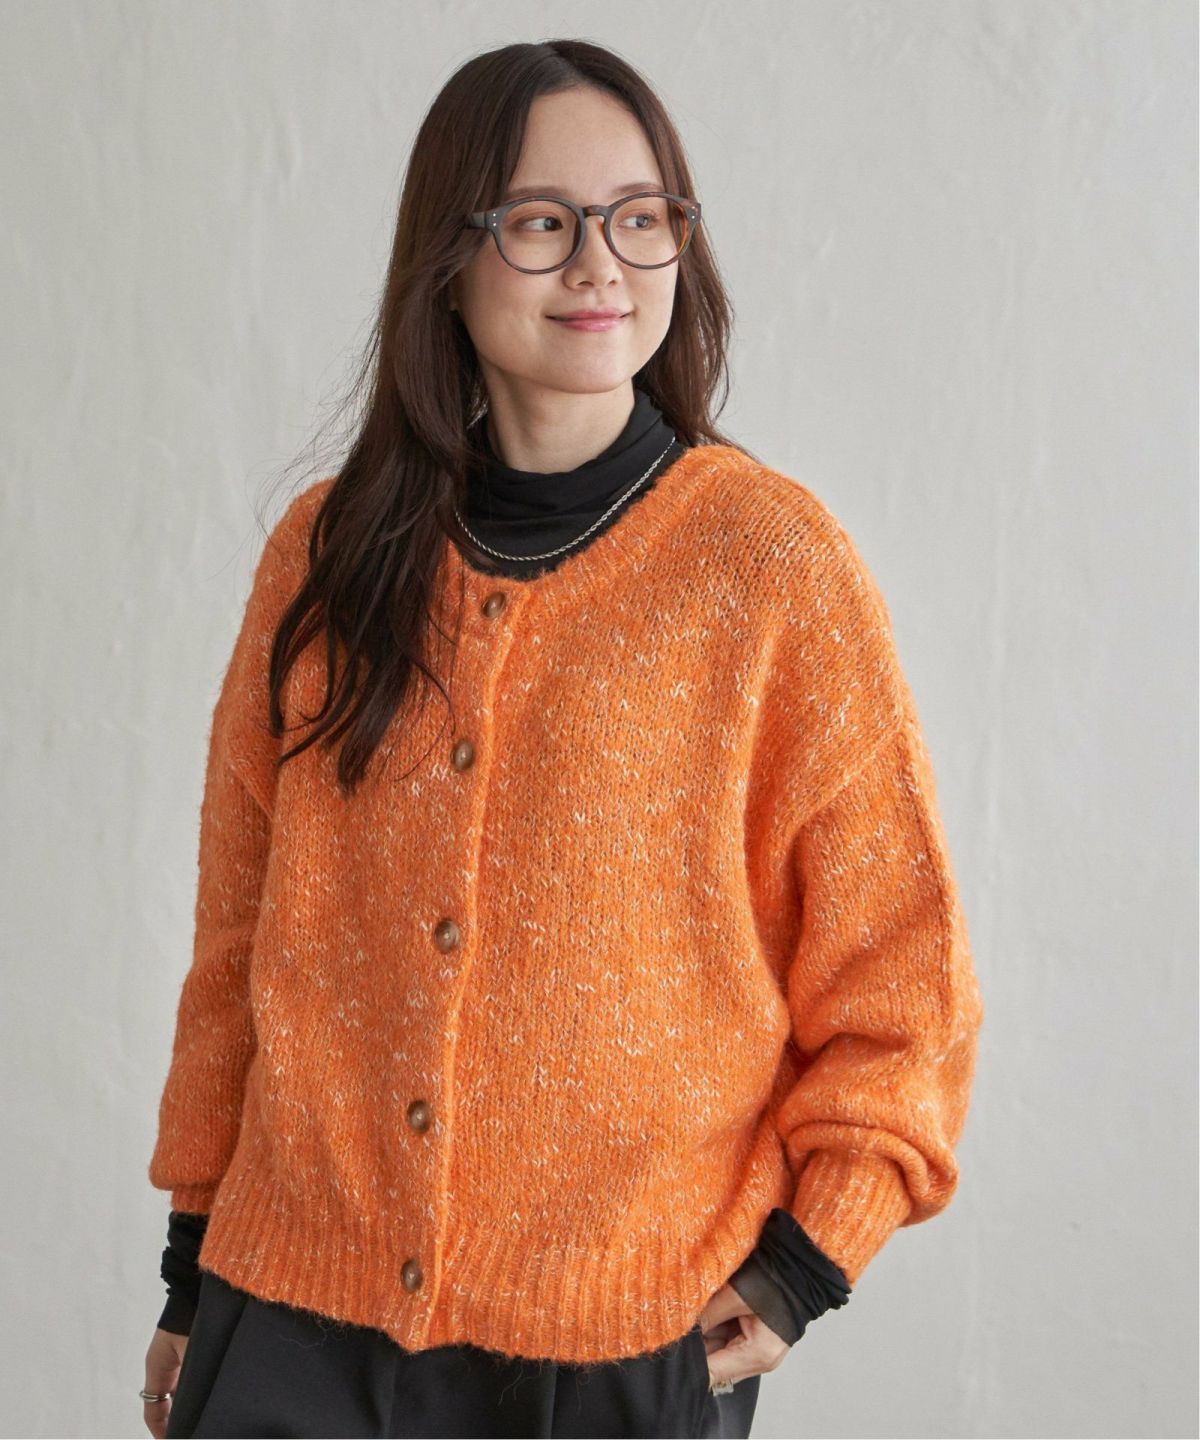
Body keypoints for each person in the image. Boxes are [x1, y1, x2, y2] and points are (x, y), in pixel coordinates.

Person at [142, 38, 983, 1440]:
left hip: (616, 1344)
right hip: (289, 1317)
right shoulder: (325, 557)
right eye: (542, 221)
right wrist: (189, 1264)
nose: (600, 263)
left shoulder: (769, 569)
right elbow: (239, 941)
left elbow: (899, 968)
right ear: (449, 256)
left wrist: (807, 1263)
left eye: (641, 217)